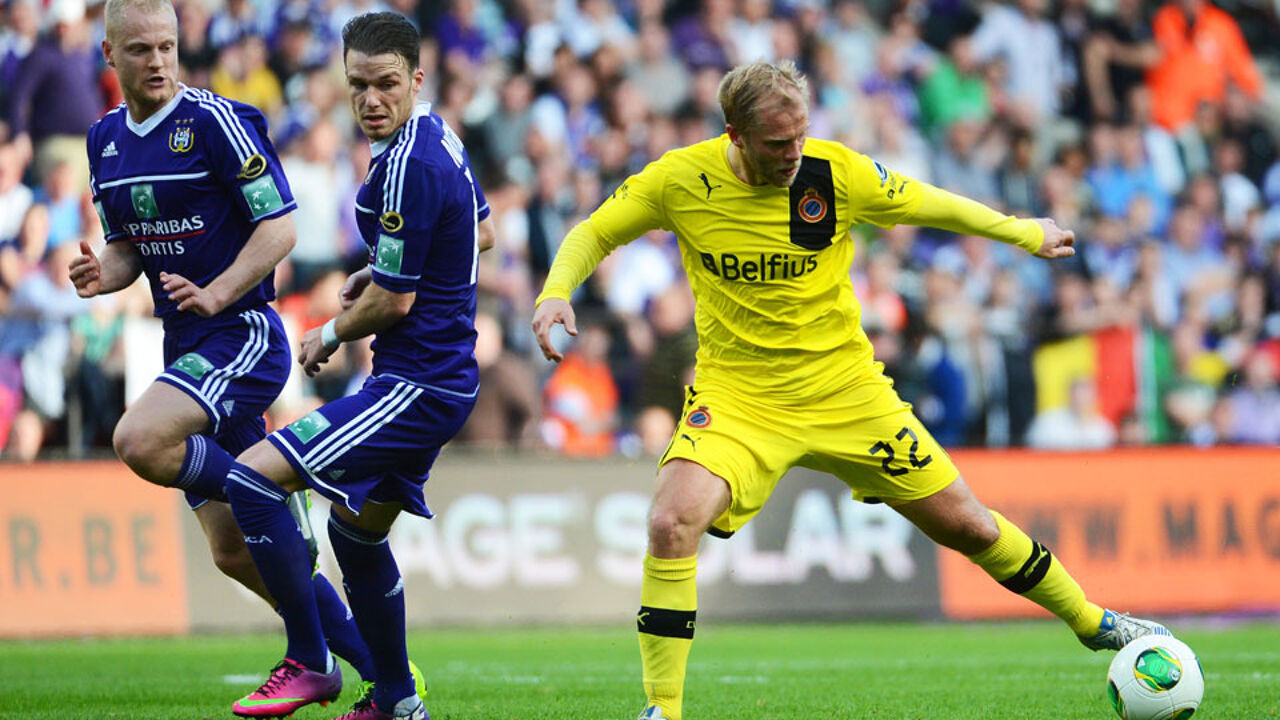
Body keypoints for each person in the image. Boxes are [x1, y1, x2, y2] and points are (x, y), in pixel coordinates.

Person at [530, 60, 1174, 720]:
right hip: (741, 400)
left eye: (801, 137)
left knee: (971, 526)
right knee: (670, 521)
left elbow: (930, 202)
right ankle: (663, 711)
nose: (793, 155)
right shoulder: (681, 179)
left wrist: (1020, 231)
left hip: (848, 394)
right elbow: (595, 231)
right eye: (778, 144)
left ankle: (1095, 622)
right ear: (736, 135)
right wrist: (556, 293)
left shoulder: (834, 174)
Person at [70, 0, 397, 710]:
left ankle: (270, 490)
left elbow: (279, 228)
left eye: (166, 47)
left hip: (242, 334)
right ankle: (382, 673)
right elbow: (132, 245)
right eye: (140, 50)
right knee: (233, 551)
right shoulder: (105, 142)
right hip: (187, 344)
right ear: (108, 56)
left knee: (140, 437)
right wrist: (107, 271)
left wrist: (218, 293)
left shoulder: (214, 122)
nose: (157, 61)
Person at [222, 11, 494, 720]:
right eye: (357, 86)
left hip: (416, 382)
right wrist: (378, 269)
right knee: (354, 533)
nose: (371, 100)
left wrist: (331, 331)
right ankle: (398, 702)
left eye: (386, 84)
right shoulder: (438, 137)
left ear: (416, 79)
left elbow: (396, 306)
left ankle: (310, 661)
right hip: (438, 378)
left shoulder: (406, 161)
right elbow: (480, 230)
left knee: (251, 479)